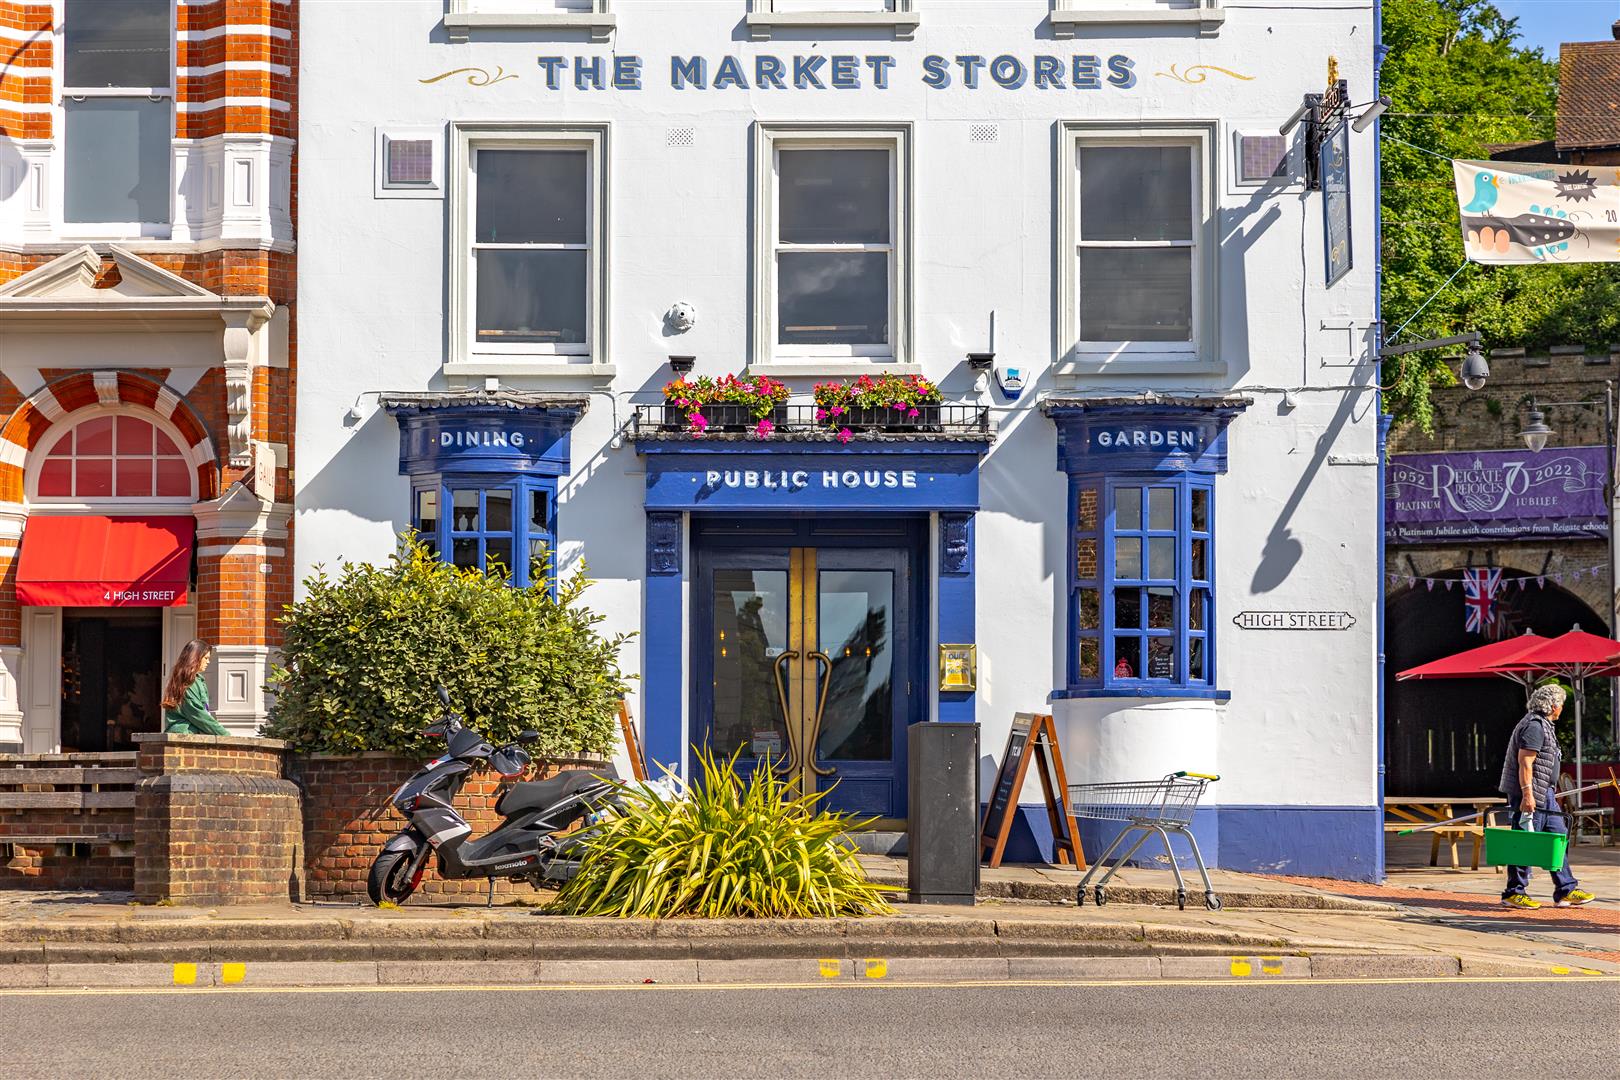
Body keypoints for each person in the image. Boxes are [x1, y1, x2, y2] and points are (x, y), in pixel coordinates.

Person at [1498, 683, 1595, 910]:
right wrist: (1527, 795)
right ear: (1553, 706)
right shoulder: (1534, 726)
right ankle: (1514, 892)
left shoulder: (1544, 724)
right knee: (1526, 840)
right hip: (1533, 793)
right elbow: (1525, 762)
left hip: (1545, 792)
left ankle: (1566, 889)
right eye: (1561, 705)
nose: (1562, 709)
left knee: (1557, 837)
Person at [161, 639, 231, 736]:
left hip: (188, 734)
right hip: (185, 735)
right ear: (196, 657)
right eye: (206, 658)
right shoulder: (188, 681)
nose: (208, 662)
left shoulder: (194, 679)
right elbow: (198, 714)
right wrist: (225, 734)